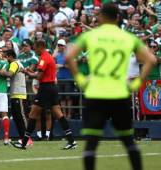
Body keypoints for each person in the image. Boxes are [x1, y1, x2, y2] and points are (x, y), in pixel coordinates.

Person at [65, 3, 157, 170]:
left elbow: (69, 56)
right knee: (129, 142)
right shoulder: (128, 38)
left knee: (91, 144)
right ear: (117, 18)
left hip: (95, 94)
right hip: (119, 93)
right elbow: (151, 60)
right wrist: (136, 83)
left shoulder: (91, 36)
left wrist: (82, 79)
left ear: (100, 17)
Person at [11, 39, 77, 150]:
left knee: (32, 114)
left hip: (46, 88)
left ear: (40, 47)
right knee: (59, 114)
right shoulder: (47, 57)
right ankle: (71, 141)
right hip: (52, 88)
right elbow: (40, 74)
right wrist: (29, 72)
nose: (34, 50)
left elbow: (39, 77)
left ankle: (24, 143)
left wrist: (28, 73)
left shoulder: (44, 58)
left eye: (35, 47)